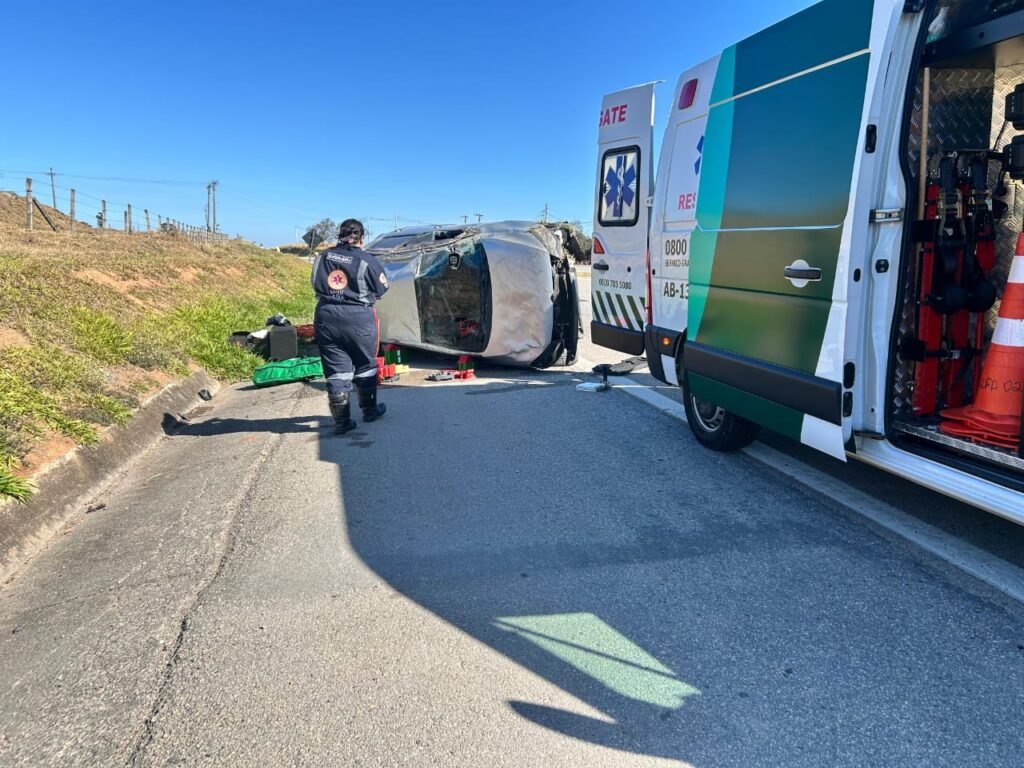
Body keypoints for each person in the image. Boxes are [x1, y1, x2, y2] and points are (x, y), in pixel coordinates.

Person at [311, 218, 390, 433]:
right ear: (361, 237)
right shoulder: (366, 260)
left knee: (336, 370)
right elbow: (383, 288)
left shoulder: (322, 257)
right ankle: (370, 411)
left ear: (339, 235)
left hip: (326, 316)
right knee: (365, 364)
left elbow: (315, 284)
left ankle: (342, 422)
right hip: (358, 317)